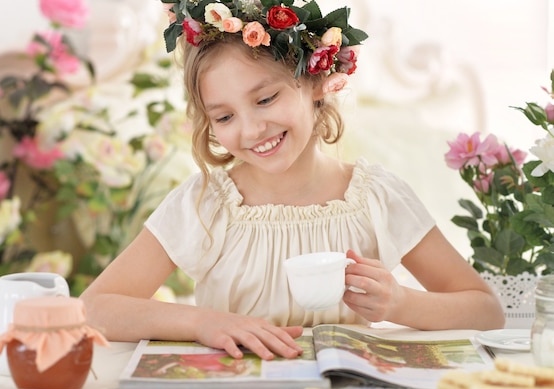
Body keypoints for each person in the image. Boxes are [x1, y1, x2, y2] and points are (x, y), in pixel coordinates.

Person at [80, 0, 505, 361]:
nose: (250, 130)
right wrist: (200, 321)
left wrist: (400, 303)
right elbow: (94, 308)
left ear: (315, 81)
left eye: (266, 99)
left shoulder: (377, 197)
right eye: (224, 116)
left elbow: (486, 311)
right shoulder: (205, 204)